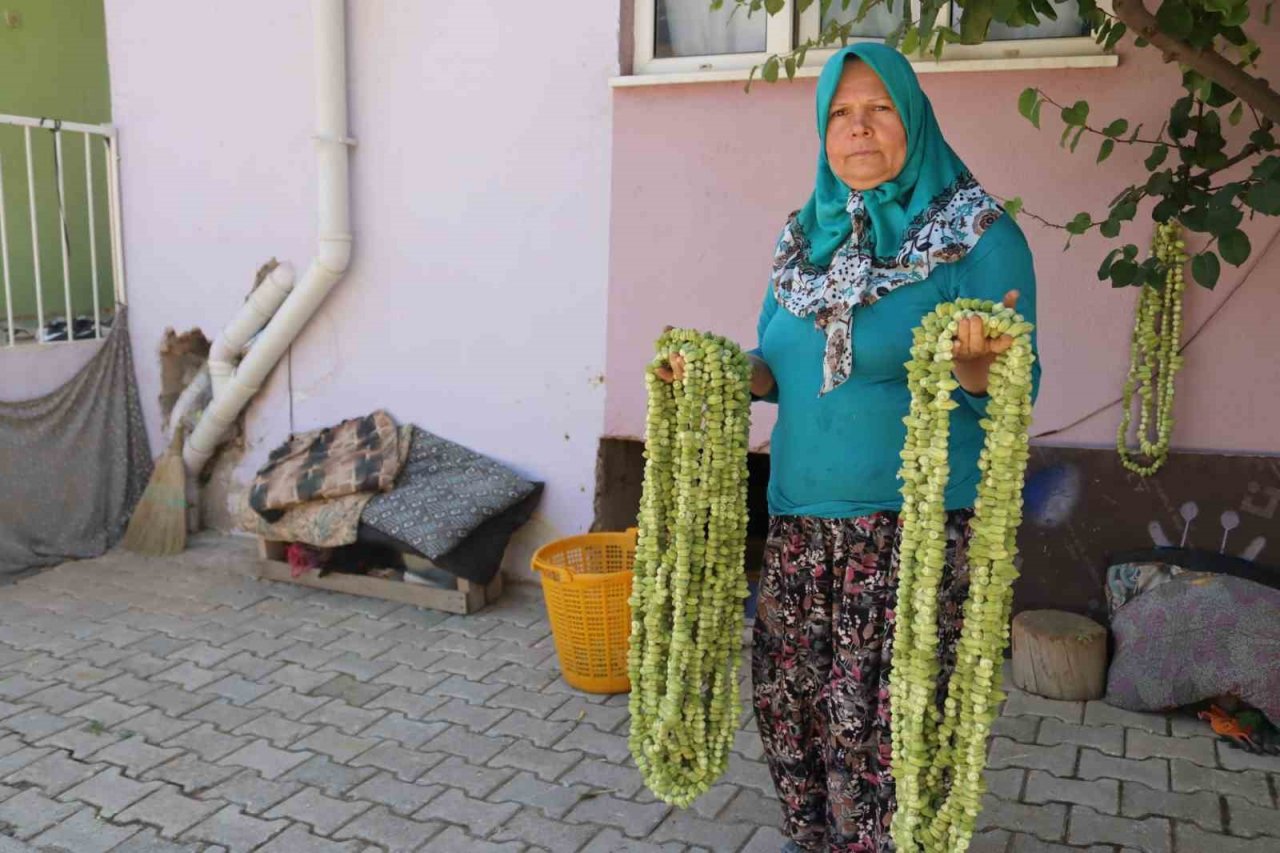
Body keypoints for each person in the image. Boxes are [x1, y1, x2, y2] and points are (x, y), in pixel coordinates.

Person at [657, 43, 1042, 852]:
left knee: (883, 751)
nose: (858, 129)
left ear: (914, 118)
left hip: (913, 538)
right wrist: (717, 372)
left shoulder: (977, 235)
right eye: (840, 112)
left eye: (878, 109)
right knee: (792, 719)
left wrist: (975, 365)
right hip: (799, 530)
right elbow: (777, 365)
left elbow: (1015, 379)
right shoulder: (803, 240)